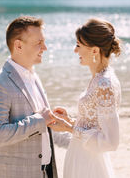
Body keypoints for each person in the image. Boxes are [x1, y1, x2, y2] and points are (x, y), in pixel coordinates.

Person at [0, 16, 59, 178]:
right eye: (38, 43)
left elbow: (43, 127)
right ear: (18, 46)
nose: (44, 47)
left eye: (43, 41)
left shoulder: (33, 75)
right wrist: (39, 120)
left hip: (46, 172)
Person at [49, 18, 122, 178]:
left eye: (78, 45)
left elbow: (110, 141)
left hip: (89, 164)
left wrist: (68, 128)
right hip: (80, 156)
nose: (75, 51)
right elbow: (94, 125)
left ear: (94, 50)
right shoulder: (99, 79)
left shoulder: (104, 84)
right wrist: (70, 120)